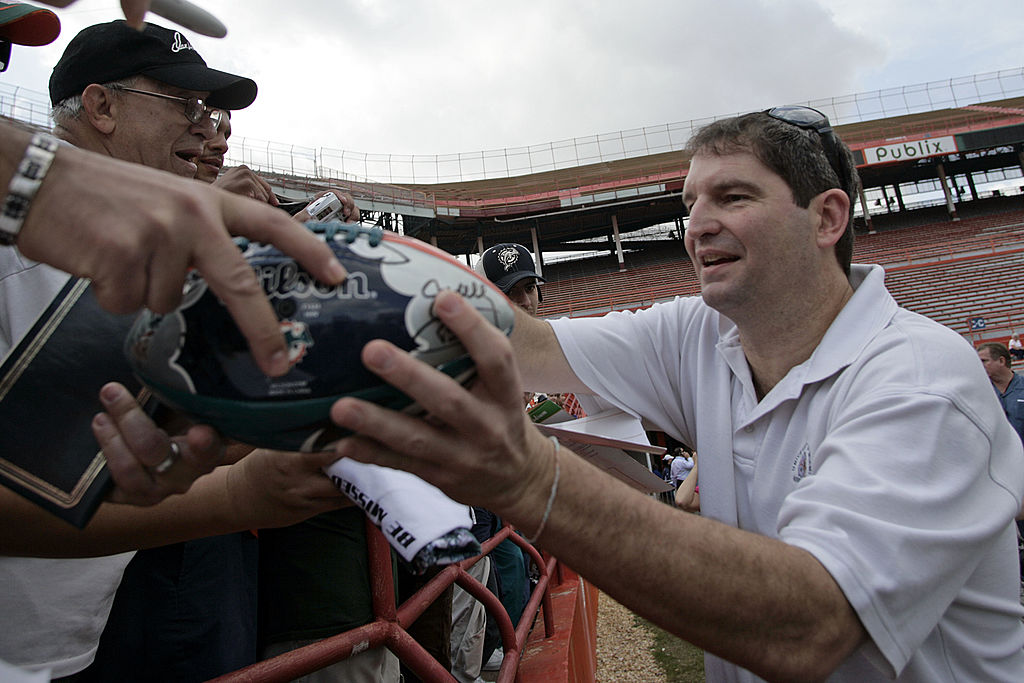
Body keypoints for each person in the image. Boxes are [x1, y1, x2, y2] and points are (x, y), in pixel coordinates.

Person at [329, 107, 1024, 681]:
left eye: (733, 196)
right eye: (690, 202)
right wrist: (338, 283)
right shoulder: (703, 331)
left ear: (826, 218)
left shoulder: (922, 377)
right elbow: (525, 343)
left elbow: (812, 625)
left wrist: (533, 480)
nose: (695, 224)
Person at [0, 21, 349, 679]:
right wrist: (241, 492)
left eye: (214, 113)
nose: (209, 129)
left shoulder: (136, 238)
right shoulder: (22, 231)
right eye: (185, 105)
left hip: (76, 631)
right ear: (101, 107)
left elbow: (127, 441)